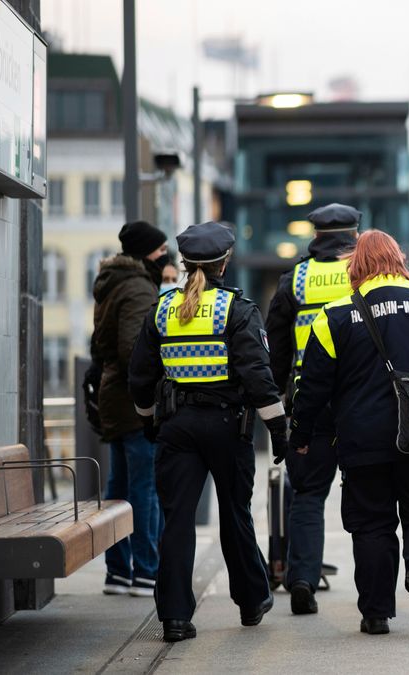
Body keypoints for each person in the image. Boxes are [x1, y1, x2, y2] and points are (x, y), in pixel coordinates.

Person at [290, 230, 409, 635]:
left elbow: (313, 385)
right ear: (400, 260)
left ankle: (376, 613)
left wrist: (302, 433)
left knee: (371, 523)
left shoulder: (334, 315)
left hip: (362, 438)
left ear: (356, 266)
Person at [129, 221, 287, 643]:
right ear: (225, 261)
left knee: (176, 521)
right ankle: (252, 600)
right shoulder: (237, 310)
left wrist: (148, 420)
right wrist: (278, 428)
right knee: (235, 514)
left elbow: (140, 377)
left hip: (176, 428)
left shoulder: (161, 309)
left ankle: (176, 617)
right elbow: (258, 376)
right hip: (227, 426)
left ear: (184, 263)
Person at [264, 203, 358, 614]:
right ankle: (377, 589)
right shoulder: (365, 274)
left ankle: (302, 578)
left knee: (308, 495)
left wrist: (280, 402)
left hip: (309, 399)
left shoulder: (295, 280)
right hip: (361, 400)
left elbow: (277, 351)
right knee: (371, 496)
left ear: (316, 235)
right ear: (354, 234)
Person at [91, 220, 169, 597]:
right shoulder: (138, 287)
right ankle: (146, 571)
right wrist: (150, 393)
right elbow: (132, 349)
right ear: (146, 253)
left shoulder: (113, 283)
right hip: (132, 402)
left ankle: (119, 571)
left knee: (118, 488)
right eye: (161, 250)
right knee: (145, 487)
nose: (165, 256)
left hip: (113, 398)